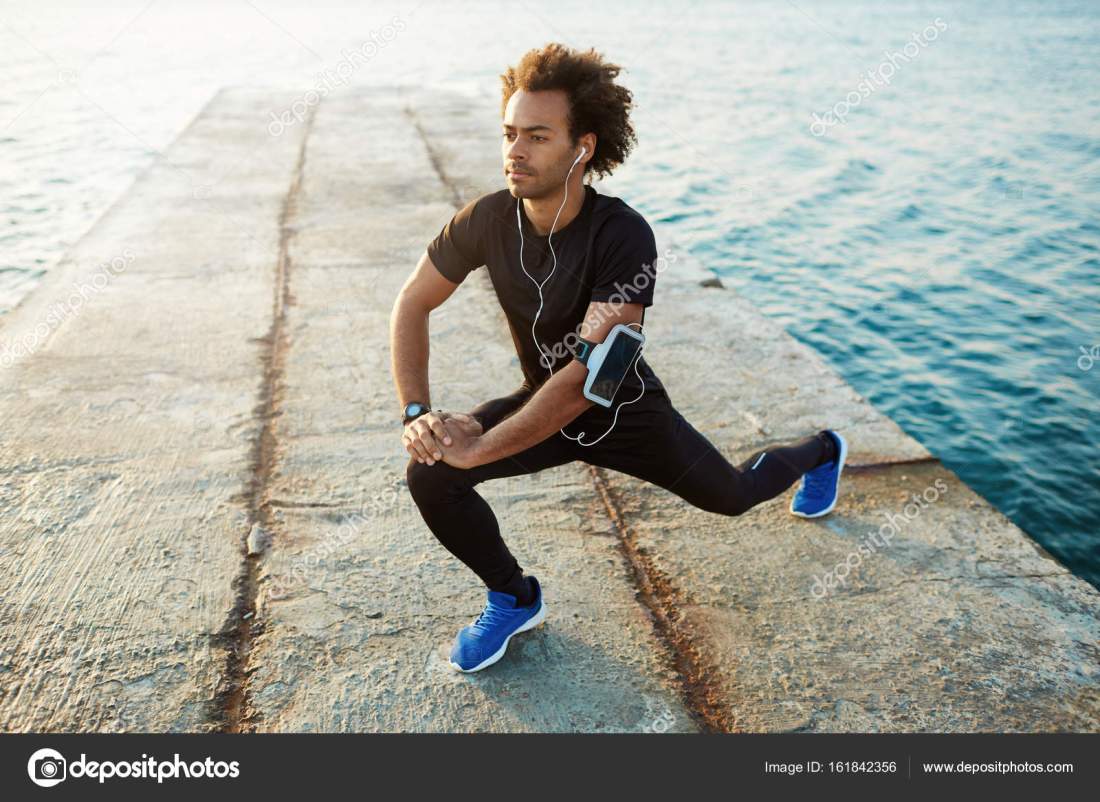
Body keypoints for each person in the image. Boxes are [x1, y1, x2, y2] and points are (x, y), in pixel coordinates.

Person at [389, 43, 847, 673]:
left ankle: (822, 449)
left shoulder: (624, 235)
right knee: (432, 473)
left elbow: (587, 382)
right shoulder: (485, 220)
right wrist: (418, 412)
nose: (514, 152)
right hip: (541, 398)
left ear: (582, 147)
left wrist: (482, 444)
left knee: (734, 496)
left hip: (623, 413)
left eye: (538, 136)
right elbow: (412, 303)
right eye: (509, 134)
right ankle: (515, 597)